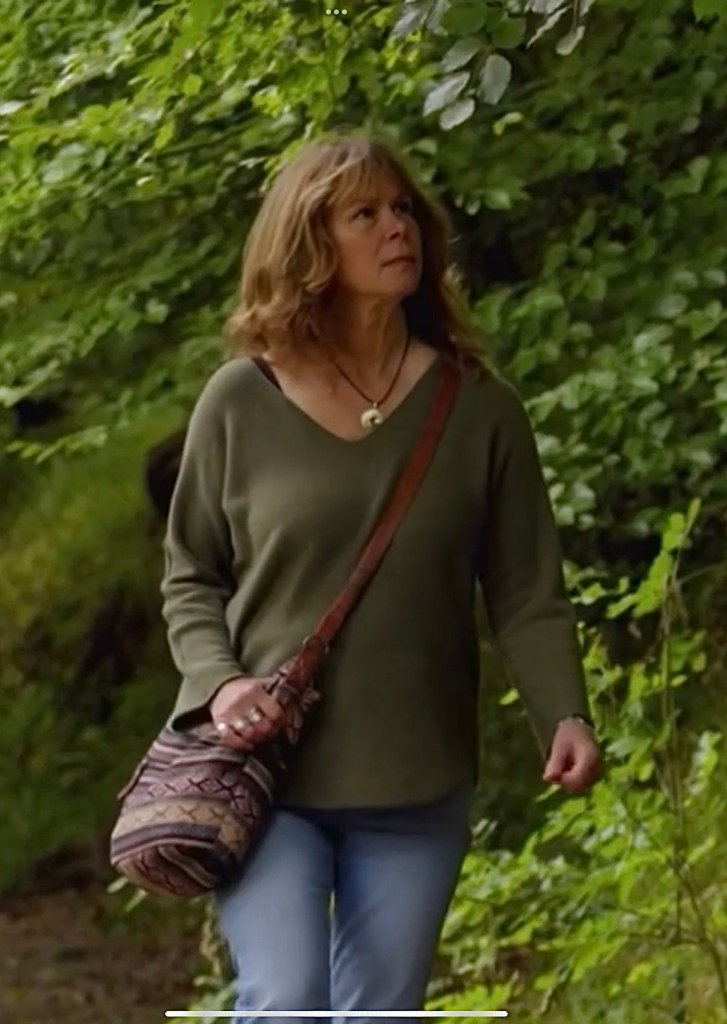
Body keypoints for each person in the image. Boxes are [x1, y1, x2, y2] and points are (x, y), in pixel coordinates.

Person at [159, 129, 603, 1023]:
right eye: (362, 214)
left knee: (383, 1012)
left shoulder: (477, 408)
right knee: (285, 998)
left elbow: (525, 591)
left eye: (401, 209)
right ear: (308, 243)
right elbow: (191, 576)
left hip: (415, 773)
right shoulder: (240, 400)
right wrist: (221, 682)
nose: (394, 227)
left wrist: (563, 711)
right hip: (266, 771)